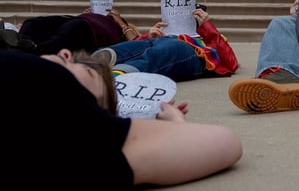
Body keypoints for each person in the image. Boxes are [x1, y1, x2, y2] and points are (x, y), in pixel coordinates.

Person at [0, 48, 242, 189]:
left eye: (84, 70)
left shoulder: (72, 121)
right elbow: (223, 141)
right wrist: (176, 124)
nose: (66, 52)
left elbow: (224, 142)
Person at [93, 4, 239, 81]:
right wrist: (149, 36)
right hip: (164, 39)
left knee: (160, 53)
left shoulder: (210, 36)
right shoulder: (165, 31)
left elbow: (231, 63)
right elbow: (138, 42)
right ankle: (91, 63)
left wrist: (207, 26)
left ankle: (119, 74)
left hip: (192, 51)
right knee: (132, 47)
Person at [6, 7, 139, 55]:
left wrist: (120, 22)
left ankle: (25, 51)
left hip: (89, 30)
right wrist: (85, 14)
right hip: (77, 21)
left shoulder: (120, 29)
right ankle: (17, 44)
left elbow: (136, 42)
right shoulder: (98, 17)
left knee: (58, 40)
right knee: (33, 23)